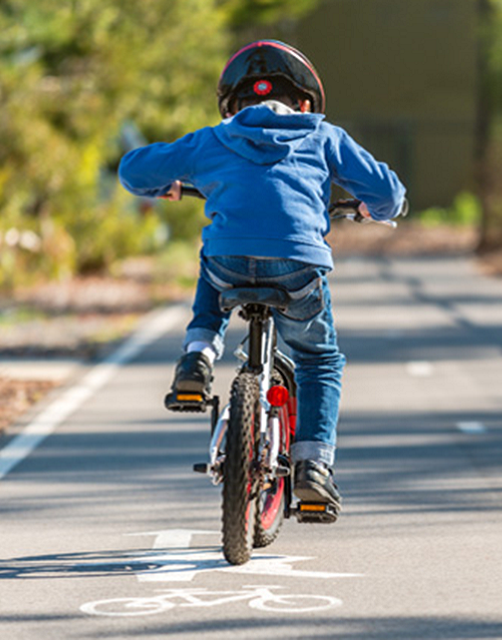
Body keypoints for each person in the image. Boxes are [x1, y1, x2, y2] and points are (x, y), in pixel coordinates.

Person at [118, 40, 406, 513]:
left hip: (229, 264)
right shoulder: (324, 136)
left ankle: (196, 358)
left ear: (233, 105)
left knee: (213, 265)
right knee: (319, 361)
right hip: (298, 267)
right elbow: (390, 195)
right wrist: (370, 208)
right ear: (305, 103)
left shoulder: (212, 139)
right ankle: (313, 467)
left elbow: (133, 171)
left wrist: (165, 184)